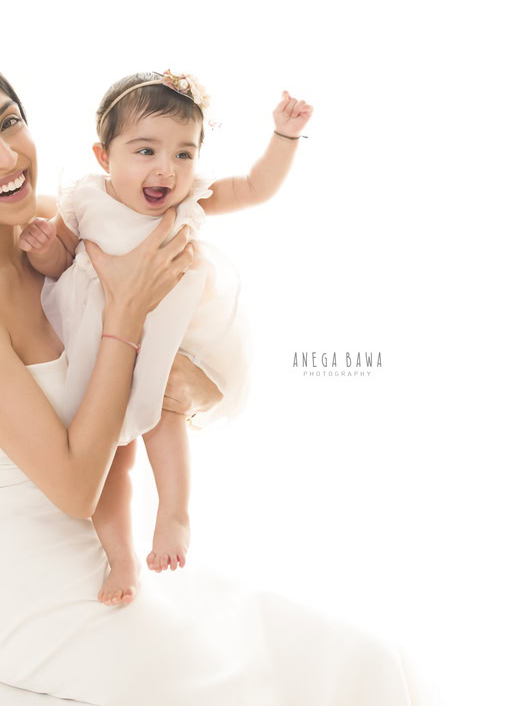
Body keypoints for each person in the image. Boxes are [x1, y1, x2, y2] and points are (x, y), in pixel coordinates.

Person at [0, 48, 428, 706]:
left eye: (9, 122)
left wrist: (185, 381)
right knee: (256, 690)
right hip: (31, 598)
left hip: (115, 558)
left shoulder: (68, 223)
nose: (6, 156)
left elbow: (187, 369)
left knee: (359, 660)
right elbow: (78, 488)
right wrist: (126, 314)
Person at [18, 68, 310, 605]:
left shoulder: (188, 201)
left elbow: (255, 187)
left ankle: (174, 513)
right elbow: (59, 262)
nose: (166, 169)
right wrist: (42, 249)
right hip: (97, 347)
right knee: (108, 459)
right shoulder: (83, 200)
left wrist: (284, 136)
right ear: (104, 156)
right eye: (145, 151)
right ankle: (121, 558)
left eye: (184, 153)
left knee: (165, 414)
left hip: (164, 343)